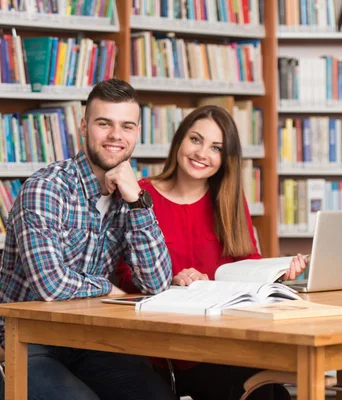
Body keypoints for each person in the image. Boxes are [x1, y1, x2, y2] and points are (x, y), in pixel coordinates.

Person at [0, 78, 177, 400]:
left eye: (127, 126)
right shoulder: (46, 188)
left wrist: (137, 201)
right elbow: (51, 285)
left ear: (137, 132)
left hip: (87, 345)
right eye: (103, 123)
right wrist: (105, 287)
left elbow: (157, 282)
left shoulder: (130, 195)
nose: (115, 135)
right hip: (18, 347)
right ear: (84, 126)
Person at [116, 105, 307, 400]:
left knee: (270, 391)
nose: (201, 153)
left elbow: (247, 262)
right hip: (159, 347)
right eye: (195, 140)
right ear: (180, 140)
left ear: (225, 159)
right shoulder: (140, 195)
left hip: (220, 342)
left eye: (215, 147)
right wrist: (170, 280)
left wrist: (276, 273)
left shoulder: (228, 200)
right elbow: (121, 273)